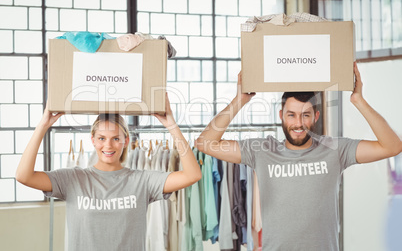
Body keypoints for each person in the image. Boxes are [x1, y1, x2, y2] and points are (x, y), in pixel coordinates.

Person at [195, 62, 402, 251]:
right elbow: (205, 143)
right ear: (281, 116)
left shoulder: (335, 149)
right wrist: (239, 100)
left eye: (306, 115)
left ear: (316, 116)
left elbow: (392, 147)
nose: (298, 124)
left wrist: (358, 101)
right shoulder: (262, 150)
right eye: (291, 115)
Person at [16, 93, 202, 251]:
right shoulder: (72, 178)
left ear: (126, 141)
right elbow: (23, 176)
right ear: (93, 140)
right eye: (102, 138)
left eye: (115, 138)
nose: (108, 145)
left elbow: (193, 174)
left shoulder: (143, 181)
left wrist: (171, 125)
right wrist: (43, 125)